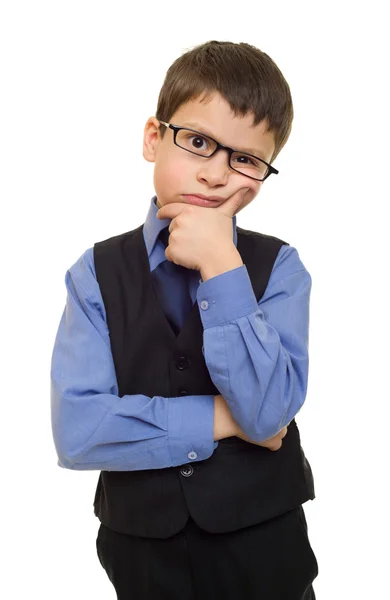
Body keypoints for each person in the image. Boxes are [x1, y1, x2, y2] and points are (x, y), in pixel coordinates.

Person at [50, 40, 318, 599]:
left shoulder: (281, 267)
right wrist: (225, 419)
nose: (217, 175)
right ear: (154, 138)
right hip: (141, 557)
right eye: (198, 142)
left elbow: (268, 412)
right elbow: (79, 432)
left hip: (266, 554)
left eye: (244, 159)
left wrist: (222, 263)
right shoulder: (94, 273)